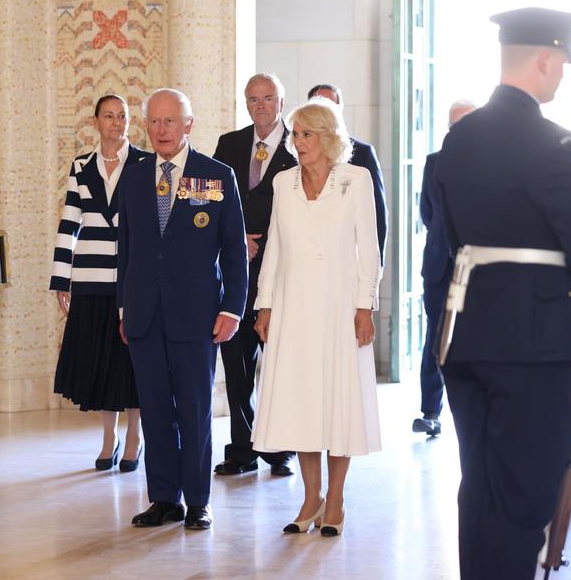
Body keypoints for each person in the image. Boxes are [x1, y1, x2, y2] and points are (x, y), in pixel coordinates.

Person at [436, 7, 571, 580]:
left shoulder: (461, 137)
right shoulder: (554, 141)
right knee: (522, 498)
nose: (563, 75)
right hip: (533, 343)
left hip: (467, 335)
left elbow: (453, 235)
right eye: (562, 63)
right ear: (543, 58)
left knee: (479, 492)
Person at [117, 88, 247, 530]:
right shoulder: (134, 177)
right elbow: (127, 249)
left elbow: (233, 249)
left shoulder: (216, 176)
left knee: (193, 410)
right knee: (155, 409)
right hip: (143, 315)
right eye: (154, 122)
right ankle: (164, 498)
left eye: (170, 121)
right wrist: (123, 308)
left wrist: (232, 308)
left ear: (189, 124)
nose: (161, 130)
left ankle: (197, 501)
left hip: (197, 317)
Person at [251, 98, 381, 536]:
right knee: (303, 402)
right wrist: (264, 304)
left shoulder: (355, 179)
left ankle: (337, 499)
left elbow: (370, 249)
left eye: (306, 134)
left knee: (337, 401)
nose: (298, 142)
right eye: (295, 134)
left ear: (328, 138)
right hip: (294, 306)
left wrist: (365, 306)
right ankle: (311, 498)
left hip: (340, 306)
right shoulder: (284, 183)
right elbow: (274, 248)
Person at [50, 94, 147, 470]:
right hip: (89, 278)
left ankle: (135, 438)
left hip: (131, 279)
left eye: (122, 116)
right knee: (101, 366)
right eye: (109, 116)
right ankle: (109, 438)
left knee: (131, 363)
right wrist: (62, 279)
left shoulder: (143, 163)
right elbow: (69, 222)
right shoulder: (81, 166)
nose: (116, 122)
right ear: (96, 122)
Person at [211, 73, 298, 477]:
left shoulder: (300, 144)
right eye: (252, 99)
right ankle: (242, 450)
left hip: (283, 271)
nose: (260, 105)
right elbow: (211, 200)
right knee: (238, 364)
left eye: (267, 98)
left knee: (278, 363)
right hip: (236, 271)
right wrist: (232, 238)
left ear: (281, 102)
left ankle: (279, 448)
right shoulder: (229, 144)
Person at [414, 100, 476, 437]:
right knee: (437, 337)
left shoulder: (491, 163)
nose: (459, 131)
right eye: (454, 126)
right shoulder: (433, 163)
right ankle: (430, 411)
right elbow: (428, 213)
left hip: (477, 269)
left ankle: (472, 408)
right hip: (439, 266)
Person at [307, 83, 387, 260]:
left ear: (340, 110)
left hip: (348, 258)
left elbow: (377, 215)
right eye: (318, 106)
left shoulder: (363, 153)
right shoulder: (297, 151)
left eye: (330, 106)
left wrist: (375, 267)